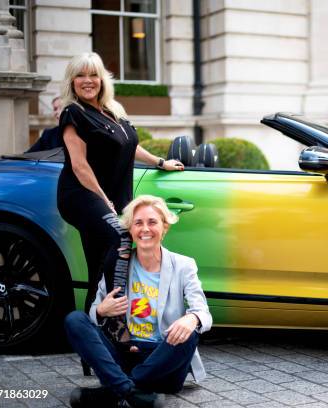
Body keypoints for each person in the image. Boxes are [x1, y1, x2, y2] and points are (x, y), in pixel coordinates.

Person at [56, 52, 184, 344]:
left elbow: (130, 146)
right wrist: (105, 201)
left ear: (102, 79)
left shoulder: (112, 110)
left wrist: (161, 162)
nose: (88, 81)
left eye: (93, 75)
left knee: (98, 266)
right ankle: (114, 321)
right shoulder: (72, 113)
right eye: (80, 75)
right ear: (72, 82)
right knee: (122, 238)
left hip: (112, 197)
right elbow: (79, 165)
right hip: (81, 194)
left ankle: (91, 340)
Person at [65, 195, 212, 408]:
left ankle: (110, 393)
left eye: (152, 222)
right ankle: (131, 393)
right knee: (75, 320)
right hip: (123, 356)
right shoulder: (117, 265)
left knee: (189, 332)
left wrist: (192, 318)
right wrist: (101, 311)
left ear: (164, 228)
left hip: (163, 359)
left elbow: (204, 314)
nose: (145, 229)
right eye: (138, 223)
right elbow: (92, 317)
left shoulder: (184, 265)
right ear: (131, 231)